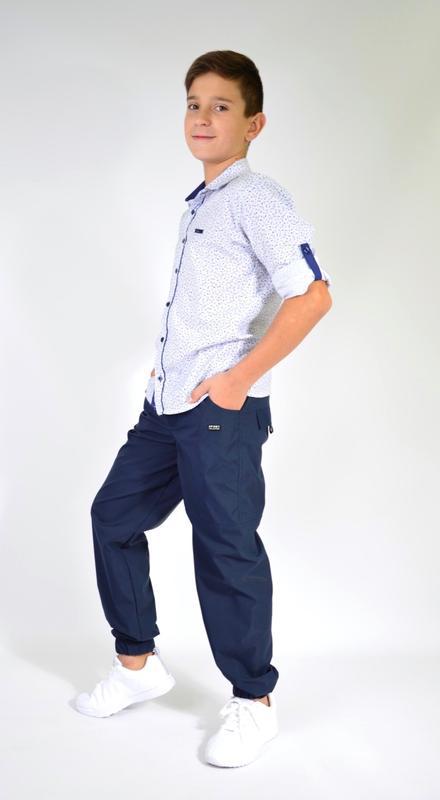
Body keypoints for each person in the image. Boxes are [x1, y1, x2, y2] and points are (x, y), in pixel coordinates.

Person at [74, 50, 332, 768]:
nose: (203, 117)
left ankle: (254, 703)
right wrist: (174, 367)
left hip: (221, 411)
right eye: (194, 104)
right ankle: (137, 665)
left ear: (254, 124)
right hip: (168, 405)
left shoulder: (257, 197)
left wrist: (237, 379)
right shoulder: (204, 202)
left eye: (221, 106)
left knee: (224, 548)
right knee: (113, 517)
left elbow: (314, 296)